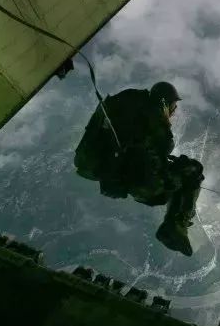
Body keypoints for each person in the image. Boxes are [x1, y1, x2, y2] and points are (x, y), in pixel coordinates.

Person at [74, 81, 204, 257]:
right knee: (194, 170)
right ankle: (175, 227)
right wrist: (177, 170)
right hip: (135, 182)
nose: (173, 112)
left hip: (100, 169)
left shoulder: (129, 102)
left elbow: (136, 147)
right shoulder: (156, 120)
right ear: (164, 103)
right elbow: (160, 152)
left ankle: (174, 226)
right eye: (173, 106)